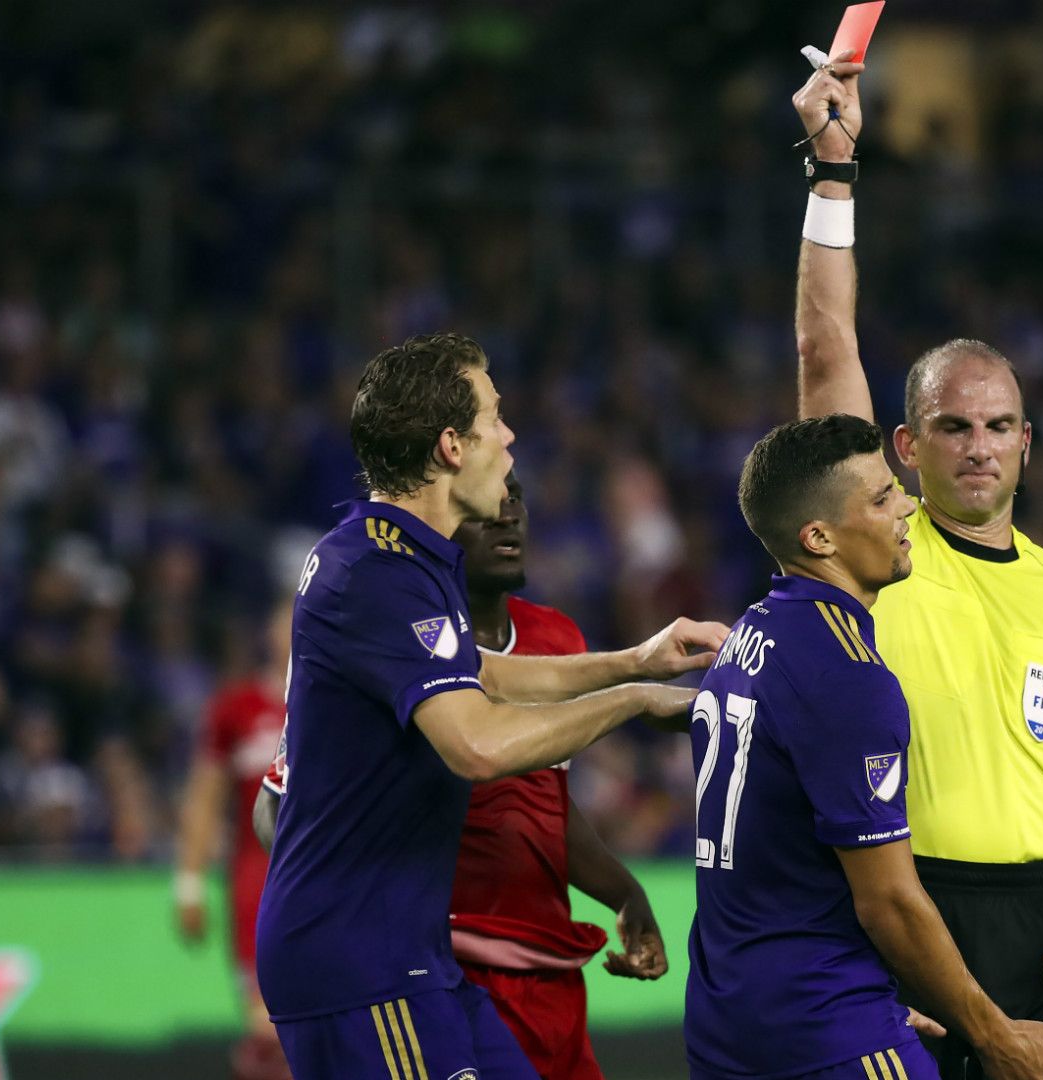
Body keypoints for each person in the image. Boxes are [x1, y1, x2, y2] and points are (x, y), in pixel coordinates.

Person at [790, 56, 1043, 1080]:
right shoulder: (874, 552)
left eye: (999, 427)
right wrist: (833, 171)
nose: (979, 446)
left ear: (1029, 444)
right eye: (952, 426)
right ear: (906, 448)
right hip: (903, 909)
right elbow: (826, 353)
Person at [255, 332, 727, 1080]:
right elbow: (475, 744)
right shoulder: (375, 573)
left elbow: (483, 675)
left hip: (413, 953)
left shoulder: (404, 555)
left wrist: (636, 659)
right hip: (360, 963)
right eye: (495, 418)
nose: (510, 439)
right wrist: (634, 701)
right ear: (451, 446)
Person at [686, 413, 1043, 1080]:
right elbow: (890, 903)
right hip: (826, 1028)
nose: (906, 505)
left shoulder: (752, 633)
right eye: (879, 498)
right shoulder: (848, 677)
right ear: (818, 537)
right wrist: (993, 1034)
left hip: (726, 1019)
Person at [173, 602, 292, 1080]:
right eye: (286, 617)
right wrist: (189, 882)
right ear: (269, 630)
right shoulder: (236, 708)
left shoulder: (341, 702)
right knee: (265, 1025)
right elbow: (204, 797)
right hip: (255, 882)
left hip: (328, 881)